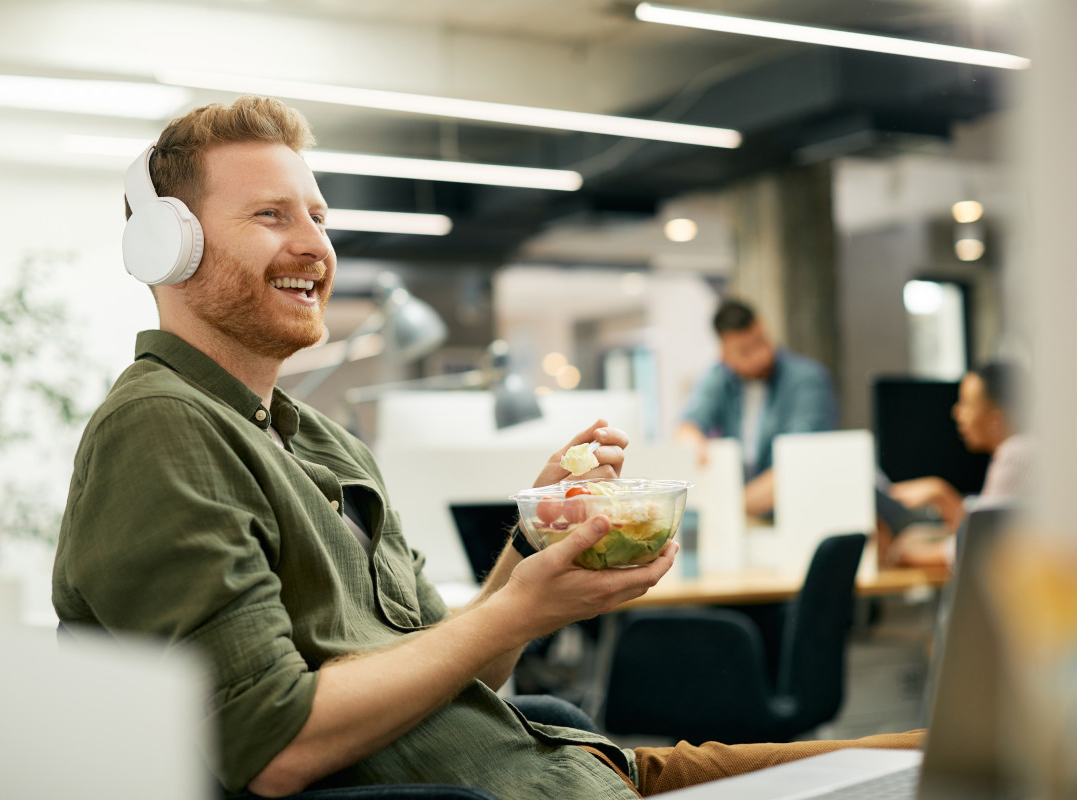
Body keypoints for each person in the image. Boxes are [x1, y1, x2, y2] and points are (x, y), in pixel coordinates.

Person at [52, 96, 920, 800]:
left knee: (944, 754)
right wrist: (520, 608)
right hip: (524, 792)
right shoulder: (161, 428)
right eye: (271, 216)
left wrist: (530, 544)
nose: (316, 245)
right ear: (167, 247)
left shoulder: (319, 440)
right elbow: (268, 745)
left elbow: (464, 664)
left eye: (317, 215)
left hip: (580, 768)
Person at [675, 299, 838, 517]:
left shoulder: (807, 380)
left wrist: (727, 507)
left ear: (763, 327)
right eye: (744, 352)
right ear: (725, 354)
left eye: (761, 342)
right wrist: (693, 444)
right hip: (744, 514)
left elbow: (798, 463)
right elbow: (687, 426)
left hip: (797, 511)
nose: (760, 356)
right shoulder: (720, 378)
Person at [886, 361, 1032, 567]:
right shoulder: (1020, 451)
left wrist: (901, 555)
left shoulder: (1015, 454)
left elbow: (975, 547)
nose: (956, 412)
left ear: (995, 421)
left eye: (966, 403)